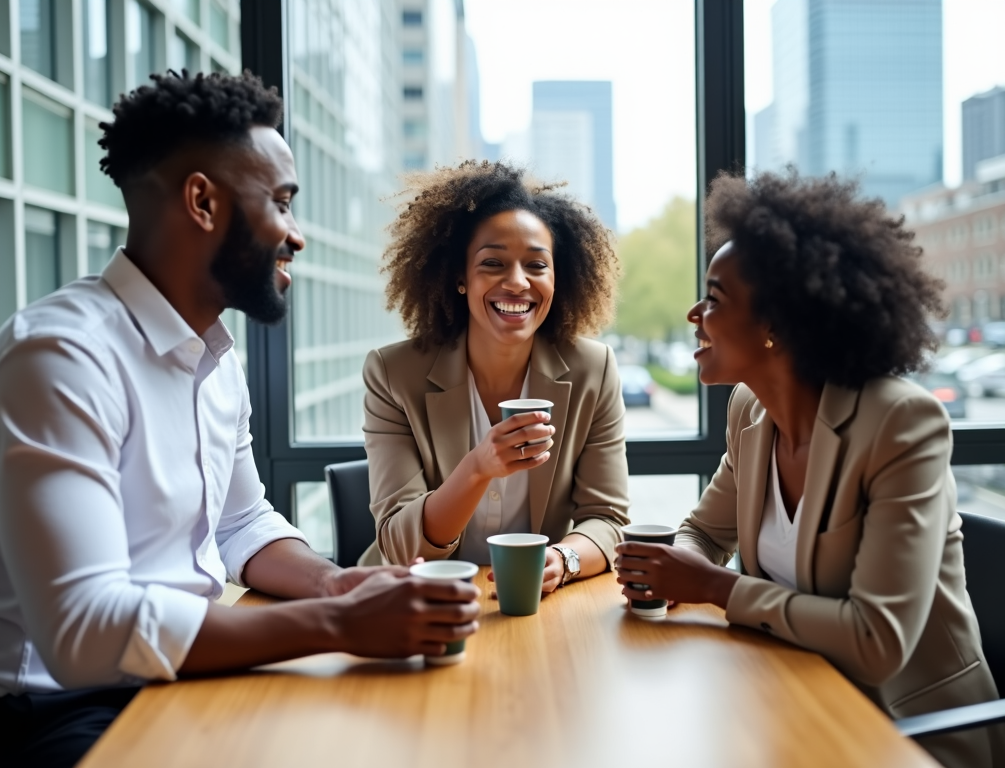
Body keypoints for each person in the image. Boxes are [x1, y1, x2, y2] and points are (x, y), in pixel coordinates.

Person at [0, 71, 479, 768]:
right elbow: (84, 633)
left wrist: (338, 583)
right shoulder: (61, 359)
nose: (296, 235)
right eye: (280, 202)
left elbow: (241, 524)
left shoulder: (213, 356)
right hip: (53, 712)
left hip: (179, 672)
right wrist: (336, 622)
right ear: (202, 201)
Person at [614, 170, 1004, 768]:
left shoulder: (900, 425)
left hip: (910, 733)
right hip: (787, 697)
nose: (694, 313)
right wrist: (684, 570)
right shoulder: (751, 412)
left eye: (715, 299)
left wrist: (713, 587)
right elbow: (704, 532)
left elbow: (877, 643)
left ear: (775, 328)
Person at [360, 160, 630, 594]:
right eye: (492, 263)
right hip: (414, 601)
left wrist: (564, 559)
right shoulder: (393, 374)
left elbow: (608, 518)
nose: (518, 282)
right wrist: (478, 467)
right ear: (460, 278)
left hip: (539, 604)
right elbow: (399, 543)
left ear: (558, 278)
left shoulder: (592, 371)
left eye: (537, 265)